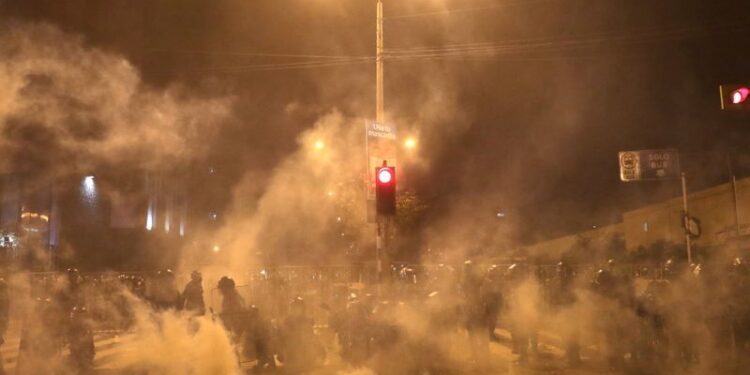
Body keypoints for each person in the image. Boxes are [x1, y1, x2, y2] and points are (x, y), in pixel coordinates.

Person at [278, 297, 325, 372]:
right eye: (293, 308)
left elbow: (312, 338)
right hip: (291, 358)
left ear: (302, 309)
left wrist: (320, 351)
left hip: (305, 358)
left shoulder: (306, 322)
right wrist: (280, 352)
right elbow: (281, 338)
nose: (294, 310)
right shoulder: (286, 322)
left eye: (297, 308)